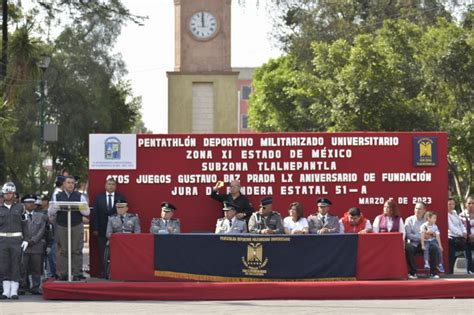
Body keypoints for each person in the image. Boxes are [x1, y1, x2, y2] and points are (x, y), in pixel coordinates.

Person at [48, 175, 90, 281]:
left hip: (76, 225)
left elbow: (87, 212)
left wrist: (79, 206)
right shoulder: (57, 196)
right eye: (69, 182)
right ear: (64, 184)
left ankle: (77, 273)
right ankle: (63, 273)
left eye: (73, 183)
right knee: (63, 250)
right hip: (62, 225)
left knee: (77, 250)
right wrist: (56, 206)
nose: (71, 184)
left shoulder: (80, 196)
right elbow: (50, 212)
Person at [91, 178, 126, 278]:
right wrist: (95, 229)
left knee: (116, 252)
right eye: (109, 184)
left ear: (116, 186)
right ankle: (103, 272)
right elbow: (95, 214)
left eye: (113, 184)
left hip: (116, 230)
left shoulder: (120, 197)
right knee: (102, 252)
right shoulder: (99, 198)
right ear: (105, 186)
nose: (111, 186)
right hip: (101, 229)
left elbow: (123, 213)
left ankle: (116, 272)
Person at [0, 182, 26, 299]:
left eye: (10, 193)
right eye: (6, 193)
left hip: (16, 239)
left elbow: (25, 225)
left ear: (14, 194)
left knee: (16, 264)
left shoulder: (21, 207)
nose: (8, 195)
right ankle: (6, 291)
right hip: (2, 239)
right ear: (3, 195)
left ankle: (14, 290)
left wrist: (26, 239)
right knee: (4, 265)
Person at [20, 194, 48, 295]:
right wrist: (25, 240)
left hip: (36, 246)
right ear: (24, 204)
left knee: (36, 268)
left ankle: (35, 287)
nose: (31, 204)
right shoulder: (20, 215)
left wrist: (32, 241)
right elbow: (19, 229)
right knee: (23, 267)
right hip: (23, 245)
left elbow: (42, 230)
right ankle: (23, 286)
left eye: (32, 202)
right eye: (28, 202)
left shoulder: (41, 216)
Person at [404, 202, 438, 279]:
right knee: (408, 247)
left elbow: (433, 233)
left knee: (434, 247)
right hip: (414, 244)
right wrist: (421, 237)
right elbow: (408, 235)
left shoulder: (428, 221)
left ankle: (433, 273)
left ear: (424, 210)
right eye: (416, 208)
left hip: (427, 244)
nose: (417, 210)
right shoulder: (409, 220)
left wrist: (430, 235)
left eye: (419, 209)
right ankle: (413, 273)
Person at [420, 211, 444, 277]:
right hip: (426, 241)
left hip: (433, 241)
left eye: (436, 218)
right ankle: (426, 262)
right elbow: (422, 235)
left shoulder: (435, 226)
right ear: (428, 218)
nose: (435, 220)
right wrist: (422, 244)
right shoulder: (423, 226)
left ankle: (440, 264)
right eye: (434, 218)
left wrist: (440, 245)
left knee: (438, 249)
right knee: (426, 249)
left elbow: (437, 236)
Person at [447, 198, 467, 274]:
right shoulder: (446, 214)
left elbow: (461, 224)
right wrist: (461, 234)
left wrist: (464, 232)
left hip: (460, 237)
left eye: (453, 204)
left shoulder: (455, 213)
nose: (452, 206)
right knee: (451, 256)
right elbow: (451, 227)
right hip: (452, 237)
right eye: (450, 204)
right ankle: (450, 272)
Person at [460, 195, 474, 274]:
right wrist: (467, 235)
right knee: (466, 248)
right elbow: (459, 228)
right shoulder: (461, 216)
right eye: (469, 203)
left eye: (473, 203)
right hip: (466, 240)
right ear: (465, 204)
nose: (471, 205)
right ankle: (470, 271)